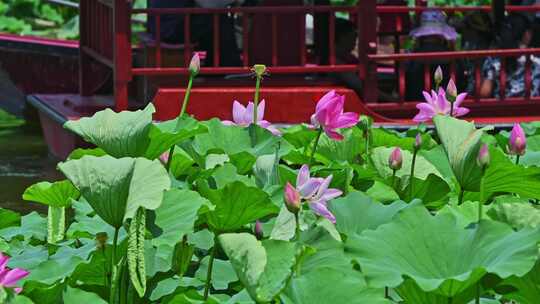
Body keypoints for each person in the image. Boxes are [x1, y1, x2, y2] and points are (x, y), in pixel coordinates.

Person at [148, 0, 243, 66]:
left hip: (160, 27)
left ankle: (216, 65)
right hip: (173, 29)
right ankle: (229, 66)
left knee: (209, 21)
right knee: (219, 18)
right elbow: (211, 4)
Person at [405, 10, 465, 101]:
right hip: (449, 103)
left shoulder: (411, 57)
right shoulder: (453, 56)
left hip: (416, 100)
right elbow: (461, 79)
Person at [480, 13, 540, 98]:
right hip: (532, 109)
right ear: (527, 34)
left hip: (502, 109)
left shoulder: (494, 59)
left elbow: (484, 92)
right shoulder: (537, 59)